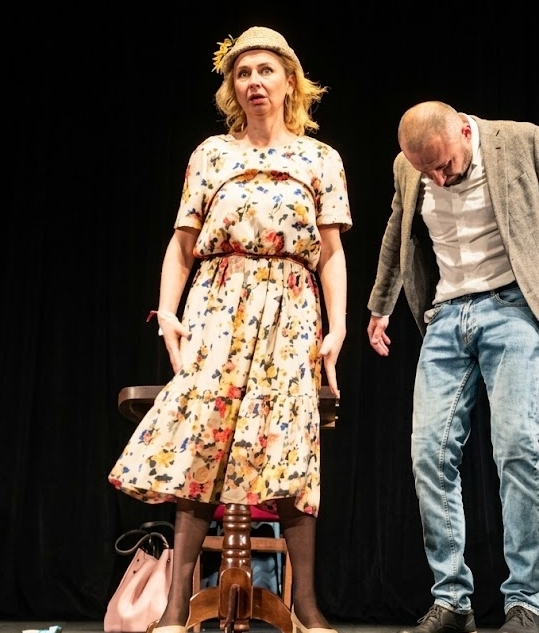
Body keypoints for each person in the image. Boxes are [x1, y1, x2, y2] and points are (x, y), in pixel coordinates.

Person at [366, 101, 539, 633]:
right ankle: (452, 601)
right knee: (428, 453)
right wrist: (381, 305)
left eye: (444, 165)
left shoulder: (520, 142)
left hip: (513, 307)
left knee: (516, 447)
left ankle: (524, 604)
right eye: (427, 172)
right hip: (446, 316)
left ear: (464, 130)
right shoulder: (410, 167)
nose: (438, 179)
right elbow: (396, 232)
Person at [108, 26, 350, 633]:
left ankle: (306, 604)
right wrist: (168, 316)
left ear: (290, 82)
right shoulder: (212, 154)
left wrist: (338, 326)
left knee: (290, 446)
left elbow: (330, 253)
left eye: (266, 71)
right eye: (243, 73)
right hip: (218, 303)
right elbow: (182, 245)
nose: (254, 82)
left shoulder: (320, 158)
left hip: (290, 307)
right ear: (232, 88)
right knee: (202, 443)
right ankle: (175, 607)